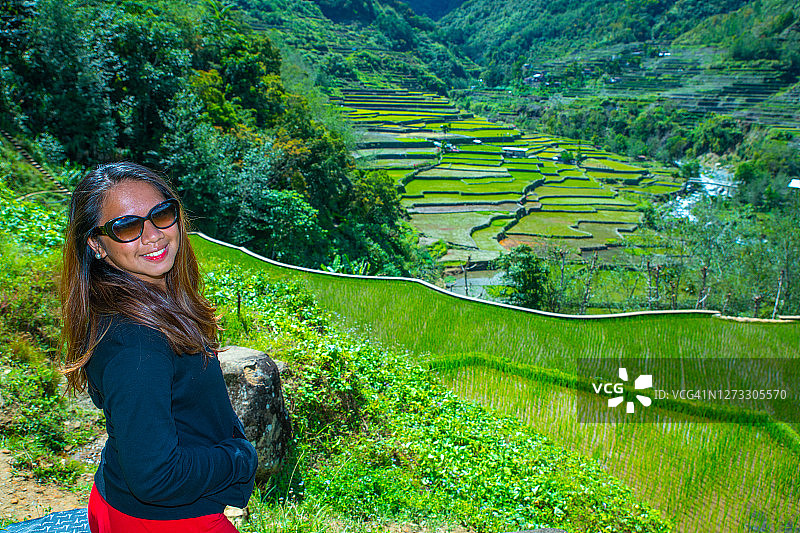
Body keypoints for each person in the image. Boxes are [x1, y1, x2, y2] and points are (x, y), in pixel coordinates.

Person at [60, 162, 258, 533]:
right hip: (167, 520)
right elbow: (155, 477)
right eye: (127, 226)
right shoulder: (136, 344)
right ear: (96, 244)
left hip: (124, 501)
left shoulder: (151, 301)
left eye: (161, 214)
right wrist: (240, 459)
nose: (152, 235)